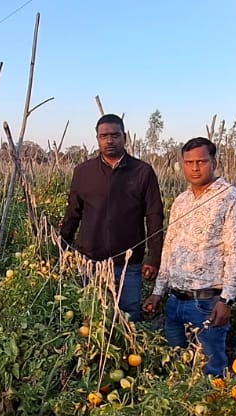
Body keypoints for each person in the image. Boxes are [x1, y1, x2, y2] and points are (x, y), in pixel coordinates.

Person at [143, 138, 236, 376]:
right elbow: (169, 247)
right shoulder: (182, 201)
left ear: (214, 162)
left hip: (207, 302)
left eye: (201, 161)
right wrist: (158, 292)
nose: (195, 168)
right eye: (189, 162)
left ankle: (213, 410)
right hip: (175, 301)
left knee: (210, 369)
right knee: (177, 366)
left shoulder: (231, 198)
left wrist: (227, 300)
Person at [60, 114, 164, 319]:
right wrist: (61, 249)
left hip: (127, 265)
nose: (109, 140)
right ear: (97, 138)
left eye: (115, 135)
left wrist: (154, 258)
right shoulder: (83, 172)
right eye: (104, 136)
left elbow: (154, 217)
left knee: (128, 319)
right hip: (89, 262)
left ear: (124, 137)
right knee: (90, 320)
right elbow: (73, 213)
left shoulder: (142, 172)